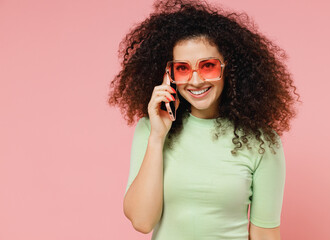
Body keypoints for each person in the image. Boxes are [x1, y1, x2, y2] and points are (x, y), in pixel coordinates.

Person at [108, 0, 299, 239]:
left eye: (208, 66)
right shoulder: (150, 129)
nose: (196, 81)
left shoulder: (262, 142)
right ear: (170, 75)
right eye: (183, 69)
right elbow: (142, 221)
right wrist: (157, 137)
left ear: (228, 68)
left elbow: (264, 233)